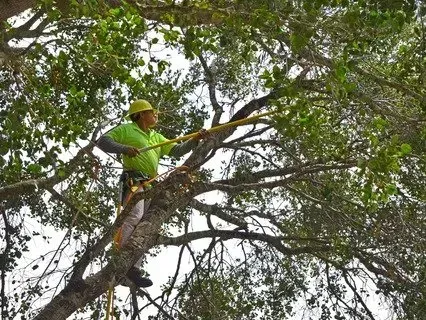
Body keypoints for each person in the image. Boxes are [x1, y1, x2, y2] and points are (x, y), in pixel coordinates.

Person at [97, 99, 207, 288]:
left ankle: (133, 269)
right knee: (134, 217)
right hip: (134, 181)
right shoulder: (128, 129)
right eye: (152, 112)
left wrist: (195, 139)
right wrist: (125, 149)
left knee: (145, 226)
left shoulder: (156, 136)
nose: (155, 115)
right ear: (140, 114)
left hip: (150, 185)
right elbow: (103, 141)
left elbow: (177, 150)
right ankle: (121, 262)